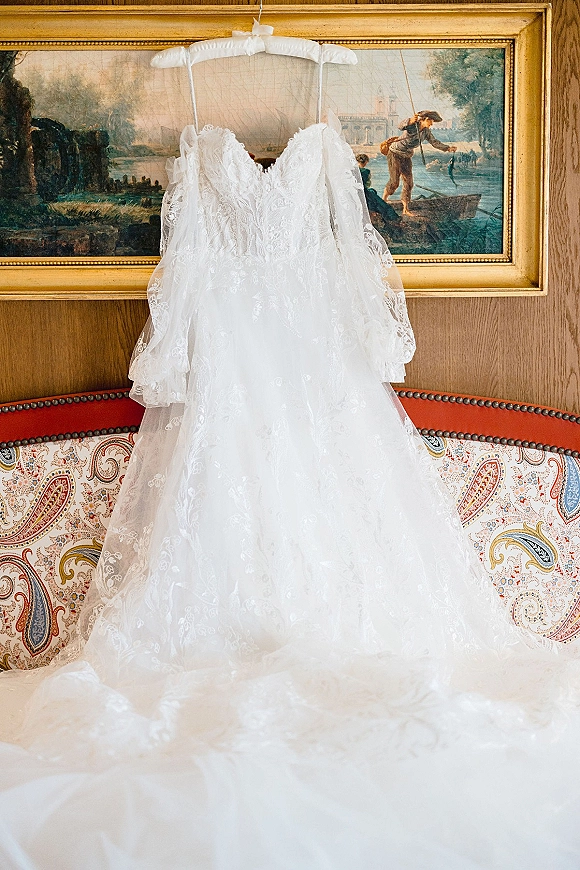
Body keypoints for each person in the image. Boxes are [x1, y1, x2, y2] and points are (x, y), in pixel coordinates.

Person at [382, 110, 457, 216]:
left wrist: (448, 148)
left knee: (409, 183)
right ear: (424, 119)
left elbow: (434, 142)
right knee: (394, 182)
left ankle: (405, 209)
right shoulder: (412, 125)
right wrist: (411, 120)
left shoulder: (426, 131)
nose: (431, 124)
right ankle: (383, 199)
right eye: (431, 121)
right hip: (394, 153)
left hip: (406, 156)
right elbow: (400, 126)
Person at [355, 153, 401, 225]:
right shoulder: (366, 171)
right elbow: (367, 184)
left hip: (356, 192)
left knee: (373, 193)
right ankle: (394, 218)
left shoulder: (354, 171)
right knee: (382, 205)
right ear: (366, 161)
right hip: (365, 192)